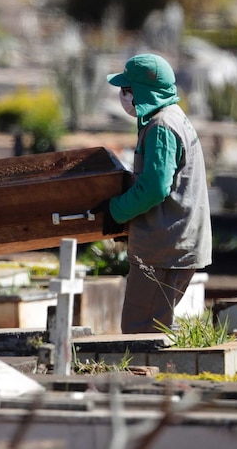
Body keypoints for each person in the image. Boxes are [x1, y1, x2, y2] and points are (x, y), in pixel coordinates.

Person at [97, 53, 212, 334]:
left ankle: (150, 380)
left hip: (164, 248)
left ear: (142, 92)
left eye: (127, 89)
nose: (123, 96)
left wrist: (116, 210)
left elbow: (155, 188)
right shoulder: (173, 116)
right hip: (175, 243)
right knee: (156, 329)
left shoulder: (161, 126)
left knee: (141, 332)